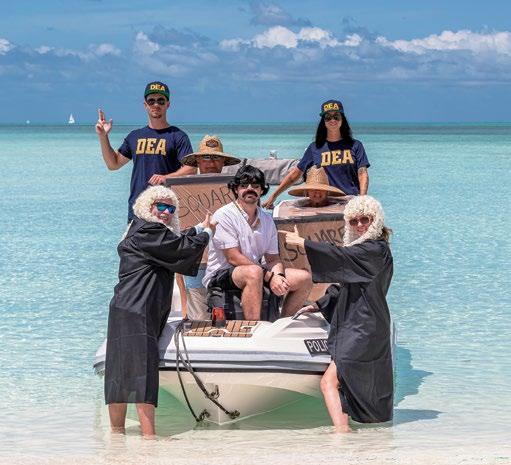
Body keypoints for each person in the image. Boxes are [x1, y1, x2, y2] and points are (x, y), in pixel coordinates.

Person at [104, 185, 215, 437]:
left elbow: (173, 242)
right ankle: (149, 437)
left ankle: (116, 436)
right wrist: (208, 233)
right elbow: (181, 249)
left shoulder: (139, 229)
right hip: (139, 309)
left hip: (124, 308)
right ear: (148, 206)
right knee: (143, 373)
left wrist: (198, 228)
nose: (166, 212)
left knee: (118, 374)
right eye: (161, 206)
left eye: (171, 208)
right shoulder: (150, 231)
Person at [280, 195, 393, 431]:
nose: (360, 225)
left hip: (364, 327)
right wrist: (320, 304)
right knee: (342, 381)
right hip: (361, 324)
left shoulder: (375, 250)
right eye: (354, 221)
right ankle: (347, 432)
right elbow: (346, 283)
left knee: (329, 382)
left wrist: (304, 244)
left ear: (375, 220)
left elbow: (341, 257)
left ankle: (342, 434)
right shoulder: (365, 251)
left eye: (365, 219)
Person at [203, 165, 312, 320]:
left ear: (262, 190)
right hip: (221, 275)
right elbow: (233, 257)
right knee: (254, 272)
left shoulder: (267, 219)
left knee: (304, 278)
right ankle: (254, 328)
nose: (250, 189)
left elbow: (273, 259)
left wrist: (279, 277)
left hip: (257, 271)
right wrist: (270, 277)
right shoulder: (224, 215)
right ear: (236, 189)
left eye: (255, 185)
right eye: (244, 185)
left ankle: (282, 324)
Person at [95, 81, 196, 222]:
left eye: (161, 101)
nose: (156, 104)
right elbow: (113, 164)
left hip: (165, 211)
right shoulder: (135, 136)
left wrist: (166, 177)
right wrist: (103, 136)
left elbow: (191, 169)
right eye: (151, 101)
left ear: (168, 104)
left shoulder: (178, 136)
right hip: (138, 209)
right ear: (145, 105)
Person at [178, 135, 241, 320]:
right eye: (206, 157)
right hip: (196, 265)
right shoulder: (182, 191)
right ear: (197, 161)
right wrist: (183, 306)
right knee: (199, 318)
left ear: (223, 162)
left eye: (216, 158)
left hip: (228, 264)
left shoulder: (238, 190)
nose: (211, 162)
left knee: (230, 318)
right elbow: (177, 243)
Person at [263, 99, 369, 209]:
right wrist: (274, 195)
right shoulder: (315, 148)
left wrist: (362, 200)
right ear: (324, 121)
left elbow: (362, 174)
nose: (332, 120)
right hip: (325, 204)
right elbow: (295, 175)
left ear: (342, 119)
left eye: (336, 116)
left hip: (350, 203)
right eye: (328, 117)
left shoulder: (355, 145)